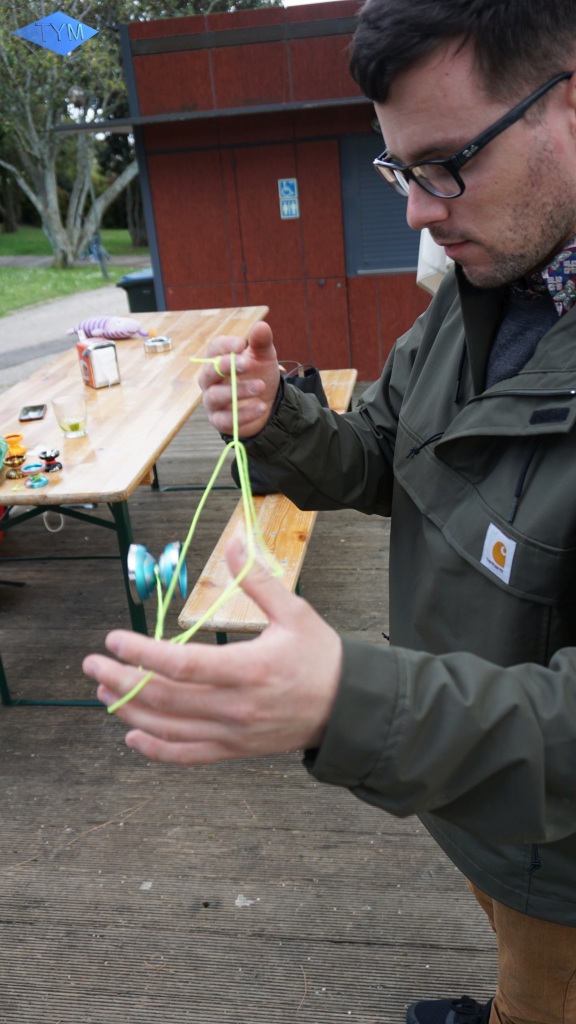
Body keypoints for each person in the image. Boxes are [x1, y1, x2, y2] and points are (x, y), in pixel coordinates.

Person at [83, 2, 576, 1021]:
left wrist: (347, 699)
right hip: (460, 785)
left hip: (555, 849)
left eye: (448, 162)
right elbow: (384, 454)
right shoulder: (486, 285)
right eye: (401, 170)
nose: (416, 213)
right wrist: (279, 420)